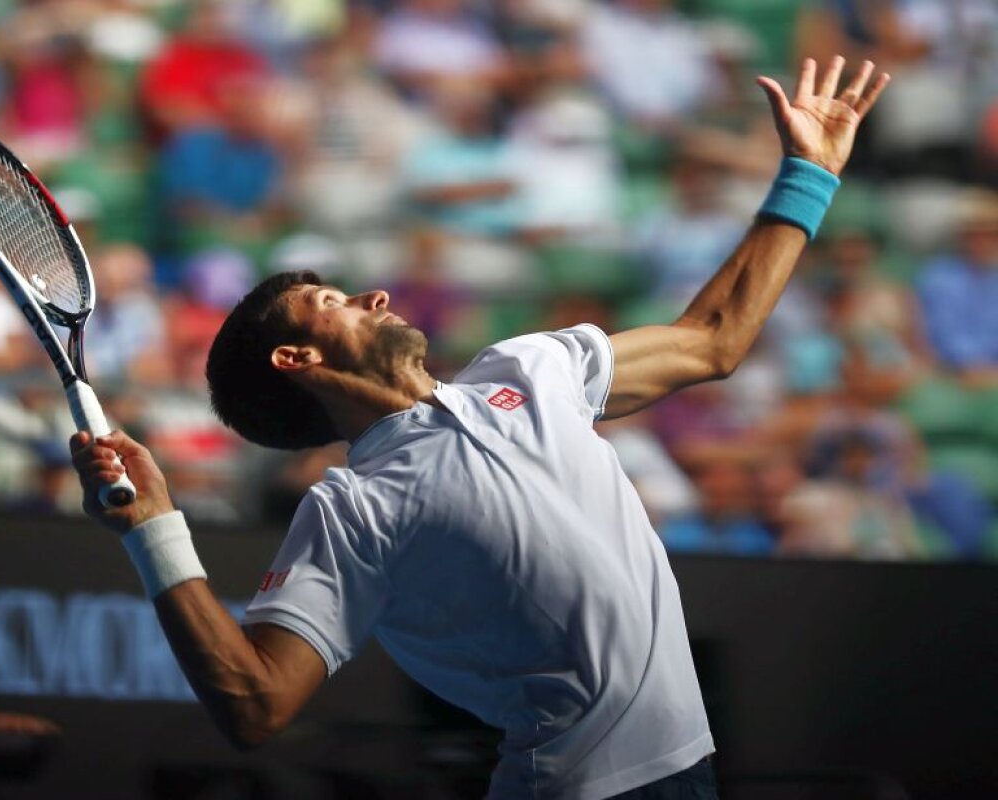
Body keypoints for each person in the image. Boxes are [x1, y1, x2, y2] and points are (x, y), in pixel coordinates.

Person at [71, 58, 888, 799]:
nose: (374, 296)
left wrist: (809, 174)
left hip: (688, 772)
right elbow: (255, 703)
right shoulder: (353, 509)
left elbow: (713, 339)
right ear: (297, 358)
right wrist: (155, 529)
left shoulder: (531, 367)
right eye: (333, 303)